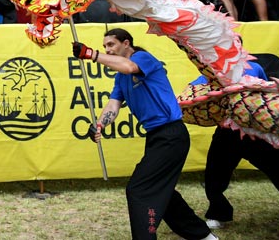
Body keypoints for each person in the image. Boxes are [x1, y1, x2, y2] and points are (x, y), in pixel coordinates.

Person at [73, 28, 215, 240]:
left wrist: (91, 54)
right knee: (162, 192)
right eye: (104, 47)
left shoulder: (142, 58)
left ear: (126, 43)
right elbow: (114, 104)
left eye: (111, 45)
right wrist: (100, 124)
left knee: (139, 190)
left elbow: (130, 67)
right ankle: (203, 236)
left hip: (171, 135)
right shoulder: (120, 79)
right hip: (156, 138)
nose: (107, 50)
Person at [191, 50, 279, 231]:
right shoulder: (212, 71)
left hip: (257, 132)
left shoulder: (254, 67)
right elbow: (195, 91)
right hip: (227, 132)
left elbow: (265, 94)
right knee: (214, 175)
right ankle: (218, 214)